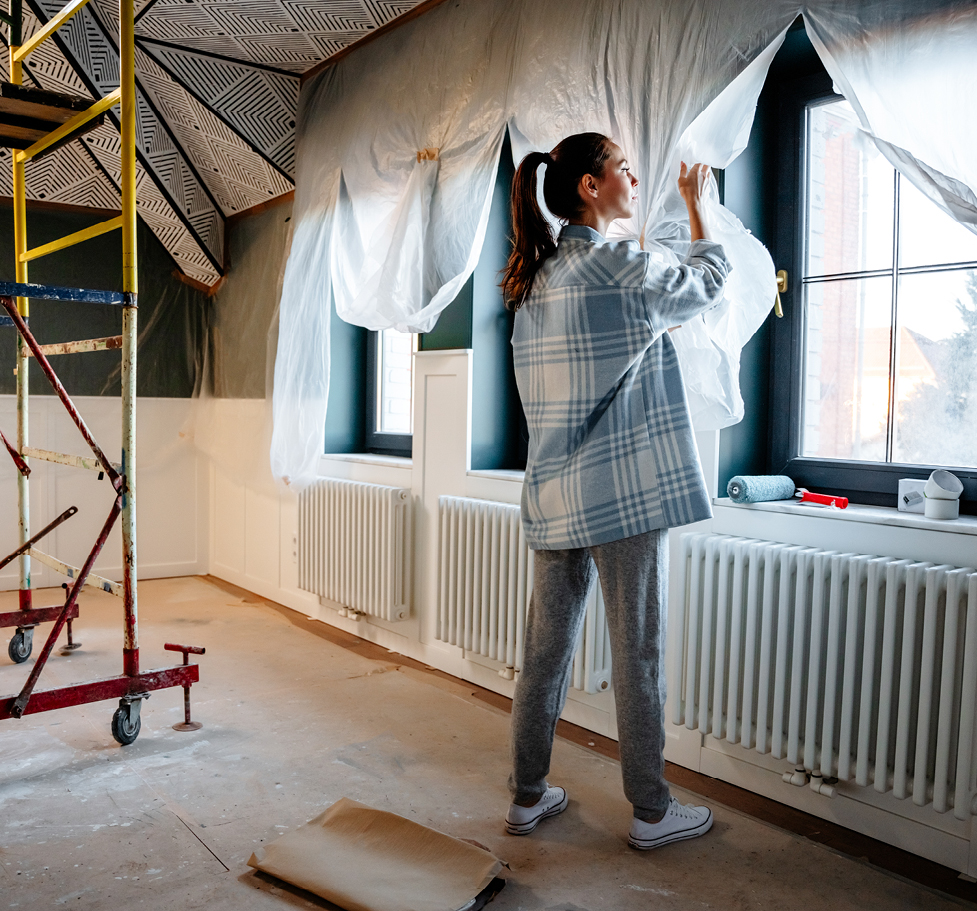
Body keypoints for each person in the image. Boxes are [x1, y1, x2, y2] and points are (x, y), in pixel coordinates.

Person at [500, 132, 730, 850]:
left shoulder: (533, 277)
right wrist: (699, 210)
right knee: (638, 651)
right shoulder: (614, 262)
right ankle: (652, 811)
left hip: (552, 491)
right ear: (590, 187)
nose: (634, 177)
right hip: (620, 494)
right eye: (624, 168)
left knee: (544, 652)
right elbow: (707, 283)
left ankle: (525, 798)